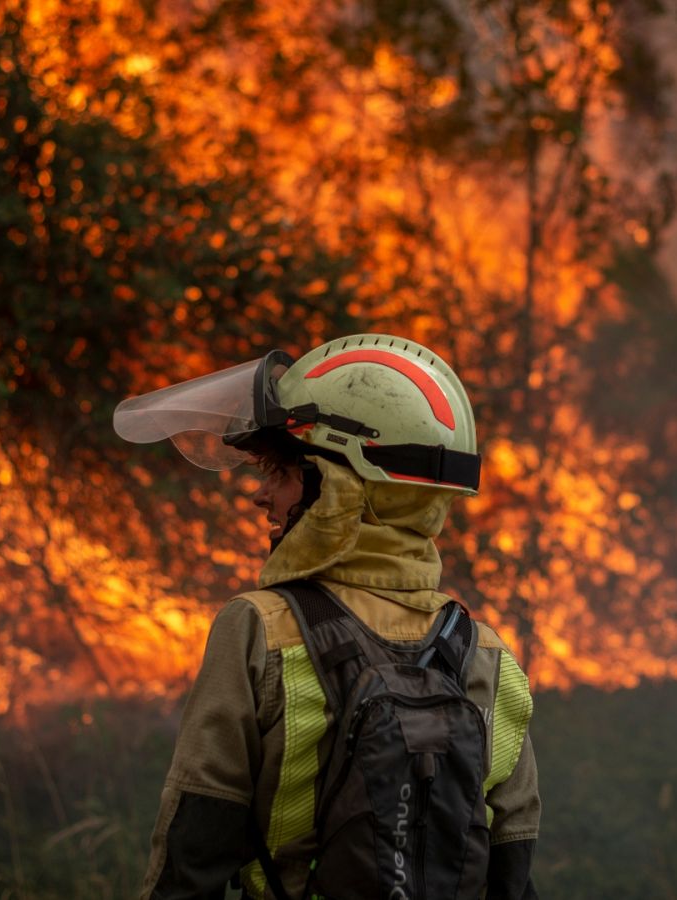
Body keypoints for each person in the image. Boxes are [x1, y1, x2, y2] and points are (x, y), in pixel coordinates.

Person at [115, 334, 541, 899]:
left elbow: (194, 850)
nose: (261, 496)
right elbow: (513, 873)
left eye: (282, 472)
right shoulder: (488, 656)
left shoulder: (260, 630)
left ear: (340, 486)